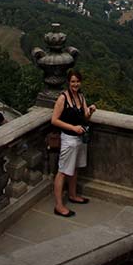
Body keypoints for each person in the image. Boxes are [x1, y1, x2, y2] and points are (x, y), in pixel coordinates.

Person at [51, 70, 97, 217]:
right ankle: (59, 205)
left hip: (80, 139)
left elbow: (85, 117)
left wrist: (90, 111)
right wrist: (72, 128)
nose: (75, 84)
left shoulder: (81, 97)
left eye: (77, 81)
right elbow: (54, 120)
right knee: (63, 171)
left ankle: (72, 195)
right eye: (72, 81)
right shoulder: (63, 98)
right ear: (68, 82)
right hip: (68, 139)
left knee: (75, 168)